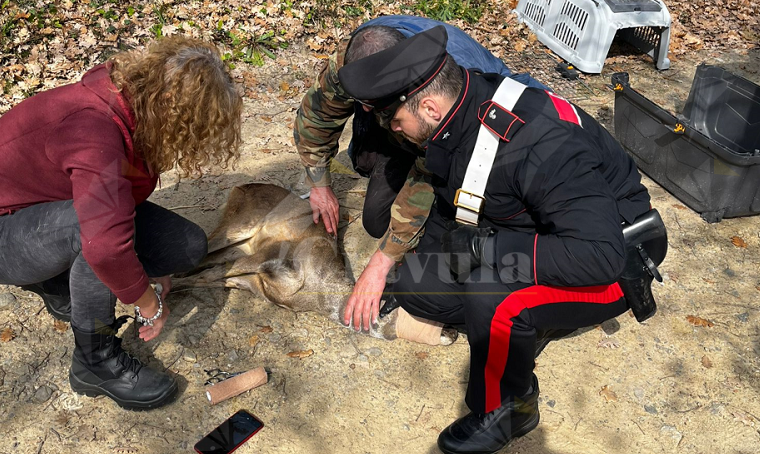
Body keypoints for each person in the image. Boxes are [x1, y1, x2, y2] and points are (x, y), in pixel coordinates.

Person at [337, 26, 665, 453]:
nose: (396, 132)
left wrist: (484, 250)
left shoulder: (537, 143)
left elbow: (599, 255)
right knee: (416, 283)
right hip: (539, 233)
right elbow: (449, 198)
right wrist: (398, 266)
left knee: (490, 294)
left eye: (396, 122)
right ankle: (528, 321)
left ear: (431, 107)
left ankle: (510, 406)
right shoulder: (461, 109)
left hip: (615, 258)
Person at [0, 36, 243, 410]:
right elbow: (106, 245)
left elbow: (118, 200)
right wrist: (148, 304)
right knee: (93, 237)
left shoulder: (134, 105)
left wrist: (149, 266)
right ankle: (94, 362)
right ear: (171, 108)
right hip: (7, 234)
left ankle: (54, 282)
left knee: (186, 246)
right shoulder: (92, 128)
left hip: (41, 211)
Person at [294, 15, 548, 243]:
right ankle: (401, 146)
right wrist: (319, 184)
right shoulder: (353, 59)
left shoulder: (446, 90)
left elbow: (430, 168)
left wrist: (389, 255)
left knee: (433, 222)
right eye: (366, 102)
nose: (368, 112)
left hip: (474, 135)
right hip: (414, 113)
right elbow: (316, 116)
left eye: (377, 104)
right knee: (366, 168)